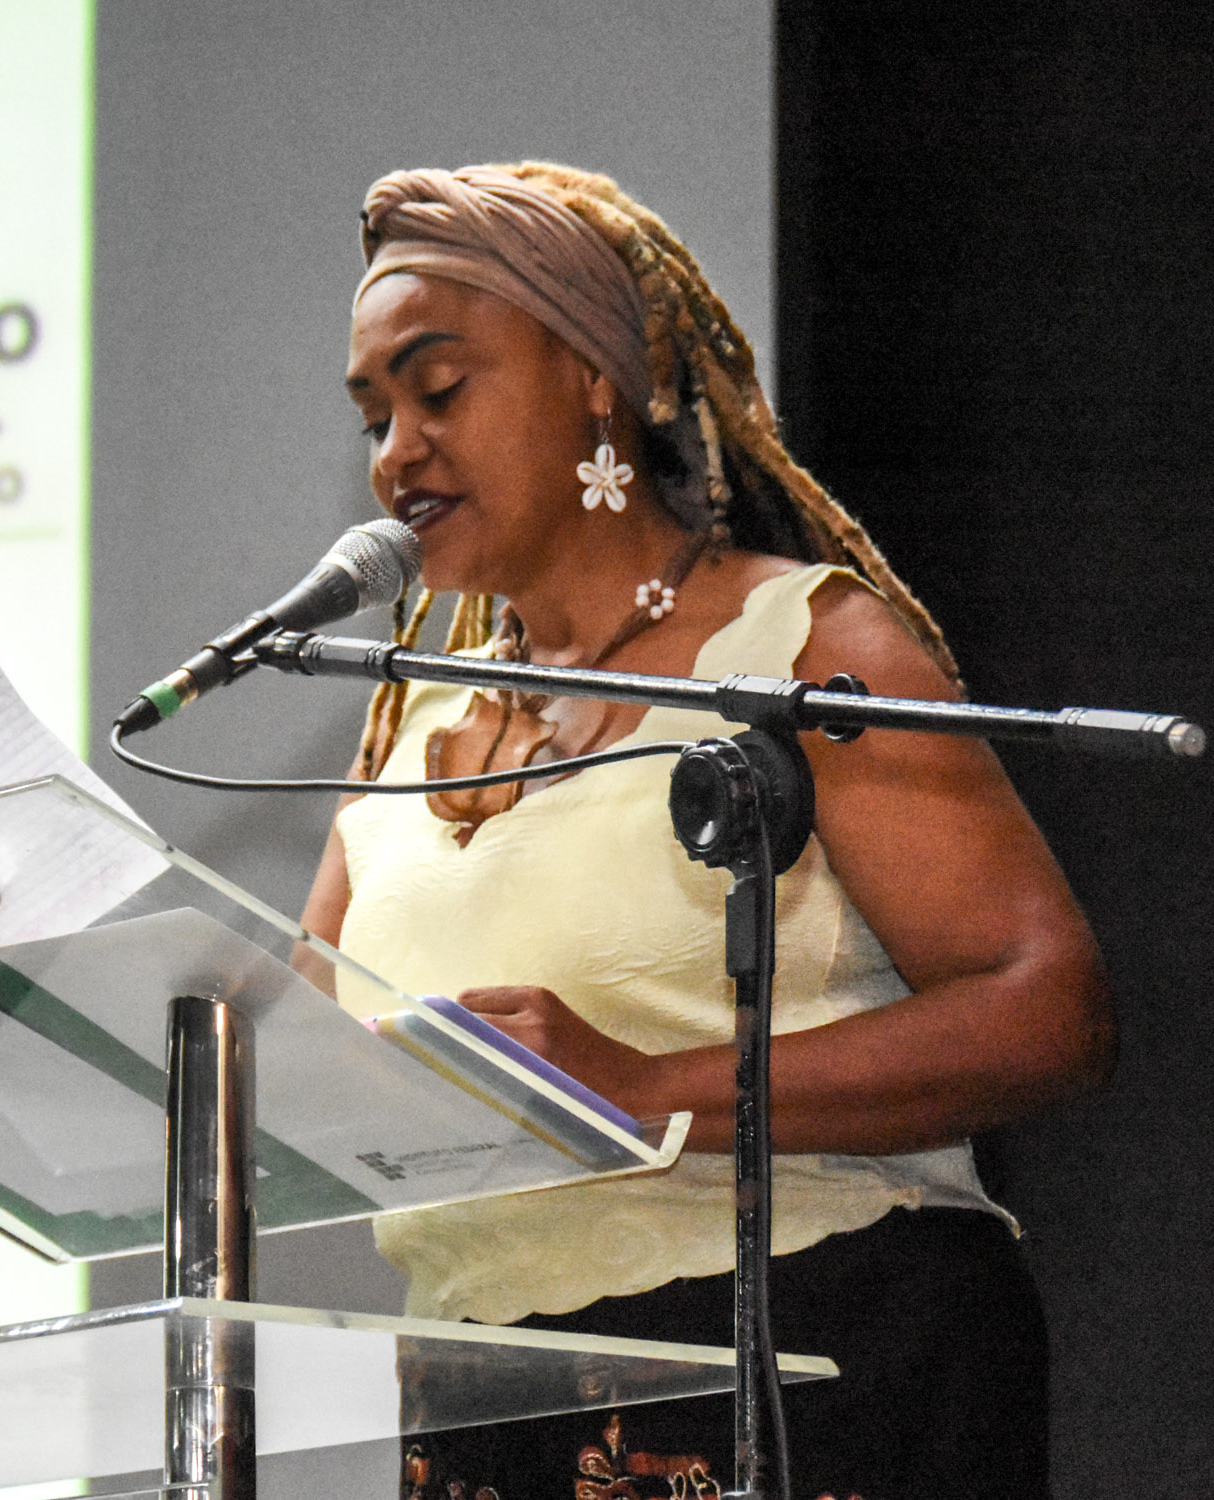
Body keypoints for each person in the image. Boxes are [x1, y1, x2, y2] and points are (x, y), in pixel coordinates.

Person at [296, 163, 1113, 1499]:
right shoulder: (408, 718)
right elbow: (285, 1051)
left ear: (596, 382)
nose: (396, 453)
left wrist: (645, 1088)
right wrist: (4, 936)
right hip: (482, 1403)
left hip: (807, 1354)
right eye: (376, 415)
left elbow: (1047, 1005)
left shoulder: (800, 647)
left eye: (438, 390)